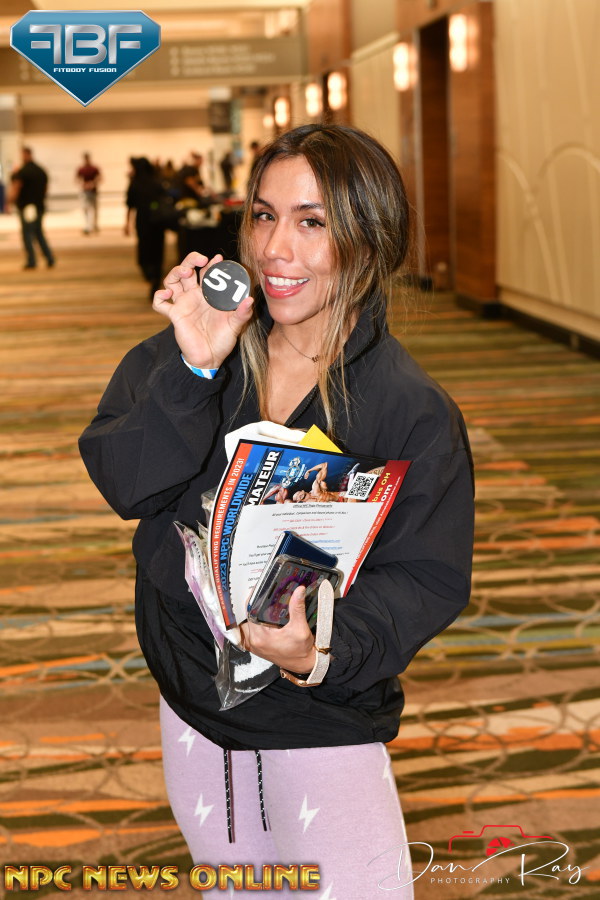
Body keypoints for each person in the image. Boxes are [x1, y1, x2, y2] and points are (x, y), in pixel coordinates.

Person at [79, 124, 474, 898]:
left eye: (312, 222)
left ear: (370, 239)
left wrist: (318, 647)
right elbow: (127, 483)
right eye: (263, 216)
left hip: (318, 718)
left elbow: (425, 578)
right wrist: (193, 369)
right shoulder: (201, 349)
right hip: (193, 700)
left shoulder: (409, 410)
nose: (274, 249)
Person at [124, 156, 167, 298]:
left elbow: (130, 205)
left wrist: (127, 223)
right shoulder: (156, 182)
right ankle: (156, 276)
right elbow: (165, 199)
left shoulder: (135, 183)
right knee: (157, 249)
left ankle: (149, 273)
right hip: (158, 220)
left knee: (144, 246)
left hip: (142, 220)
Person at [7, 147, 55, 270]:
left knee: (27, 234)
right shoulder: (41, 171)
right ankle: (49, 257)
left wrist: (9, 202)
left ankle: (32, 260)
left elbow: (16, 188)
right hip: (39, 206)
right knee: (39, 233)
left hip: (27, 208)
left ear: (25, 154)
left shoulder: (22, 172)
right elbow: (46, 189)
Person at [76, 152, 101, 234]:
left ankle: (94, 225)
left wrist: (92, 184)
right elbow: (77, 179)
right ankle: (88, 226)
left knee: (94, 209)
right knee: (86, 209)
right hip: (84, 192)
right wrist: (83, 184)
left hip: (93, 191)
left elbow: (99, 178)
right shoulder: (81, 169)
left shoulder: (94, 168)